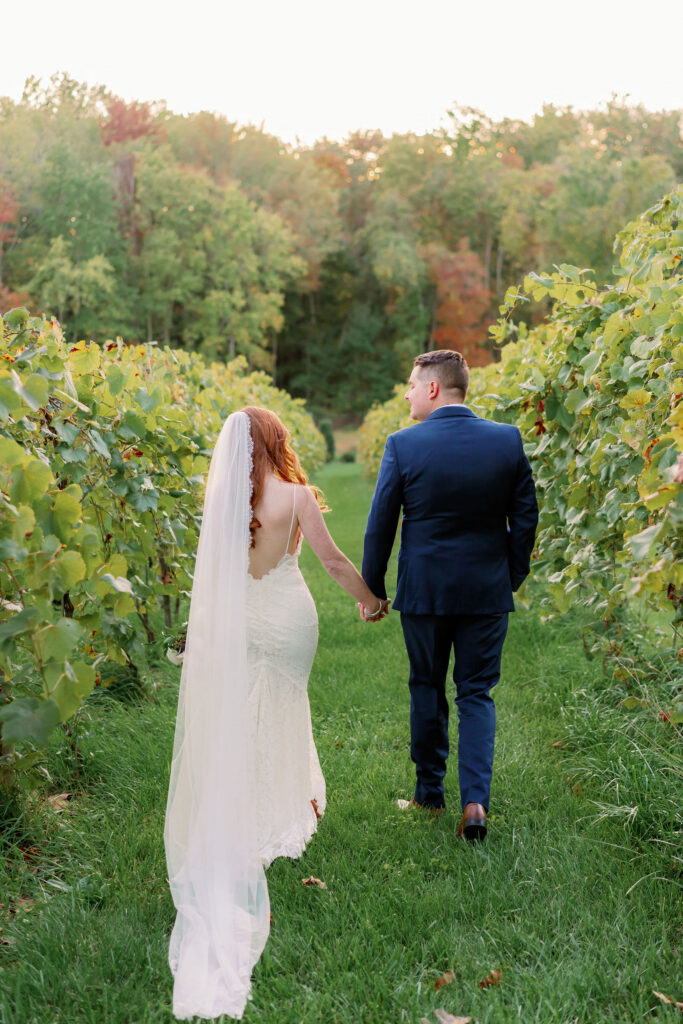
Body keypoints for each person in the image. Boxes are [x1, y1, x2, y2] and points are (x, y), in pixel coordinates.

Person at [164, 406, 386, 1021]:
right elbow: (334, 561)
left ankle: (242, 812)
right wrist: (371, 601)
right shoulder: (297, 496)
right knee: (283, 707)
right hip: (289, 622)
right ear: (276, 440)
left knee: (243, 713)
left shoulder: (225, 504)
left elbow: (214, 577)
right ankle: (276, 810)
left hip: (242, 623)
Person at [362, 349, 538, 841]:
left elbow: (380, 527)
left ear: (434, 389)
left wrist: (373, 590)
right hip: (486, 589)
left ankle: (428, 795)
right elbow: (526, 518)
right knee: (476, 693)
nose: (407, 394)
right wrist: (510, 575)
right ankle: (476, 803)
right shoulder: (506, 440)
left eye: (412, 385)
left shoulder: (403, 445)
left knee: (427, 686)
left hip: (424, 592)